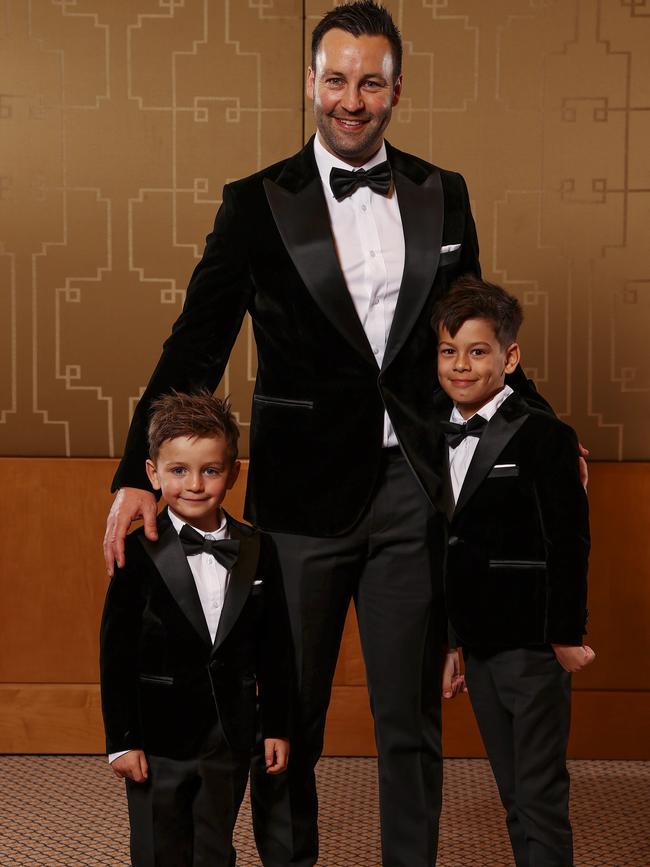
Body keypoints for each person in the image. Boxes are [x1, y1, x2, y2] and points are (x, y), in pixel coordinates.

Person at [103, 3, 552, 865]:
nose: (353, 98)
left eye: (372, 82)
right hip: (300, 501)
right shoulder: (254, 203)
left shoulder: (442, 190)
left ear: (397, 89)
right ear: (311, 82)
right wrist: (134, 468)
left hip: (414, 489)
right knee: (287, 718)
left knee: (410, 719)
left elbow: (471, 328)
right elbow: (194, 344)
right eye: (337, 79)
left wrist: (534, 427)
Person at [433, 277, 595, 867]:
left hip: (533, 640)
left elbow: (569, 540)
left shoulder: (546, 436)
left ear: (510, 357)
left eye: (478, 352)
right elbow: (448, 546)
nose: (461, 366)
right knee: (511, 793)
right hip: (477, 641)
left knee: (540, 791)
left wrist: (566, 633)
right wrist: (453, 640)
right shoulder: (432, 436)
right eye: (449, 351)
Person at [100, 392, 292, 867]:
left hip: (228, 735)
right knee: (157, 849)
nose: (194, 484)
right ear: (153, 474)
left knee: (214, 848)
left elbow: (278, 647)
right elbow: (116, 652)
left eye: (210, 470)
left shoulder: (257, 548)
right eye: (178, 470)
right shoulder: (136, 553)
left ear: (233, 472)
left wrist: (276, 726)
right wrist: (122, 739)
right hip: (157, 737)